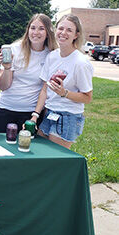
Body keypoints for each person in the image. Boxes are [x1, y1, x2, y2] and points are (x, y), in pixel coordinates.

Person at [30, 14, 93, 148]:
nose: (63, 33)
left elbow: (87, 97)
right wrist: (35, 115)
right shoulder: (52, 56)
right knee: (41, 153)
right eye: (60, 28)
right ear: (55, 30)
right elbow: (44, 89)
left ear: (76, 35)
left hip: (68, 117)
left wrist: (64, 93)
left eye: (69, 30)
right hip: (48, 113)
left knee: (56, 162)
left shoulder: (81, 63)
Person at [0, 13, 57, 133]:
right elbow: (3, 86)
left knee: (26, 148)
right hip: (5, 109)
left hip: (31, 113)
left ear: (48, 32)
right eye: (32, 28)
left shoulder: (51, 55)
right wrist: (7, 68)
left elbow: (46, 89)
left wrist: (35, 115)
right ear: (28, 30)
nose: (36, 32)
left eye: (41, 28)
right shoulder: (14, 49)